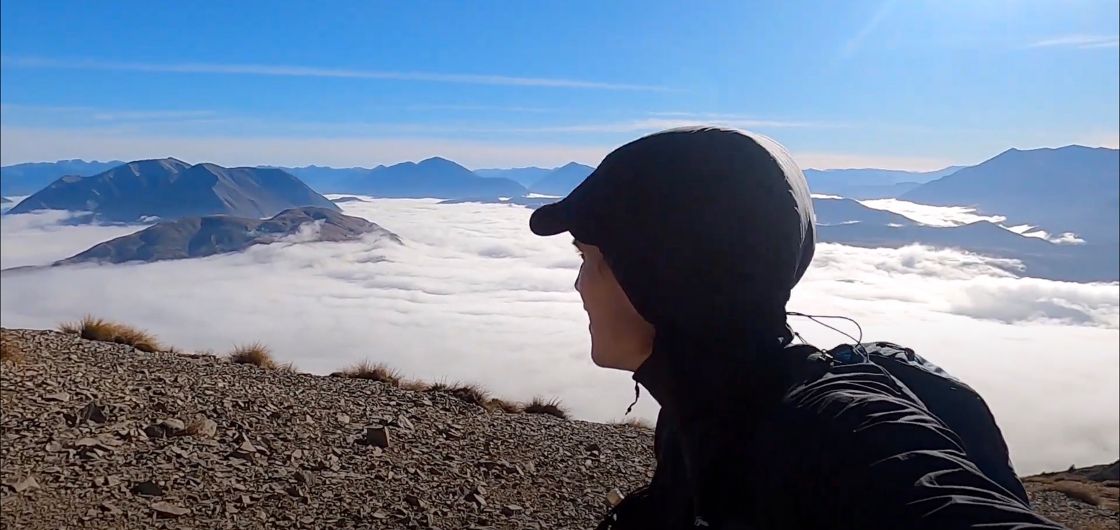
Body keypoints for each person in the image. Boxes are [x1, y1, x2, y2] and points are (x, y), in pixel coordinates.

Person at [529, 127, 1063, 529]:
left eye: (590, 259)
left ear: (662, 275)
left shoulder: (835, 430)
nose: (580, 285)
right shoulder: (707, 406)